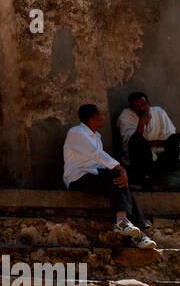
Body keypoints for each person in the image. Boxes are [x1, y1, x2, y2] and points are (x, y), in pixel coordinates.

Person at [65, 104, 157, 249]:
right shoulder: (76, 132)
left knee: (120, 181)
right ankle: (125, 223)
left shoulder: (97, 136)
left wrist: (119, 172)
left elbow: (100, 163)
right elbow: (96, 154)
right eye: (100, 115)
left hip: (95, 175)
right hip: (78, 178)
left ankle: (134, 232)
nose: (103, 118)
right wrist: (119, 168)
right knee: (117, 175)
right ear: (92, 118)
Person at [117, 92, 180, 193]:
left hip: (162, 158)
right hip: (143, 161)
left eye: (143, 104)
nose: (141, 108)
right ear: (132, 108)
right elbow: (132, 142)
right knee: (137, 140)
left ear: (149, 103)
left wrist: (149, 143)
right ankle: (146, 182)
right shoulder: (126, 116)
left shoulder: (159, 112)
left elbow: (170, 139)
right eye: (137, 106)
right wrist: (141, 123)